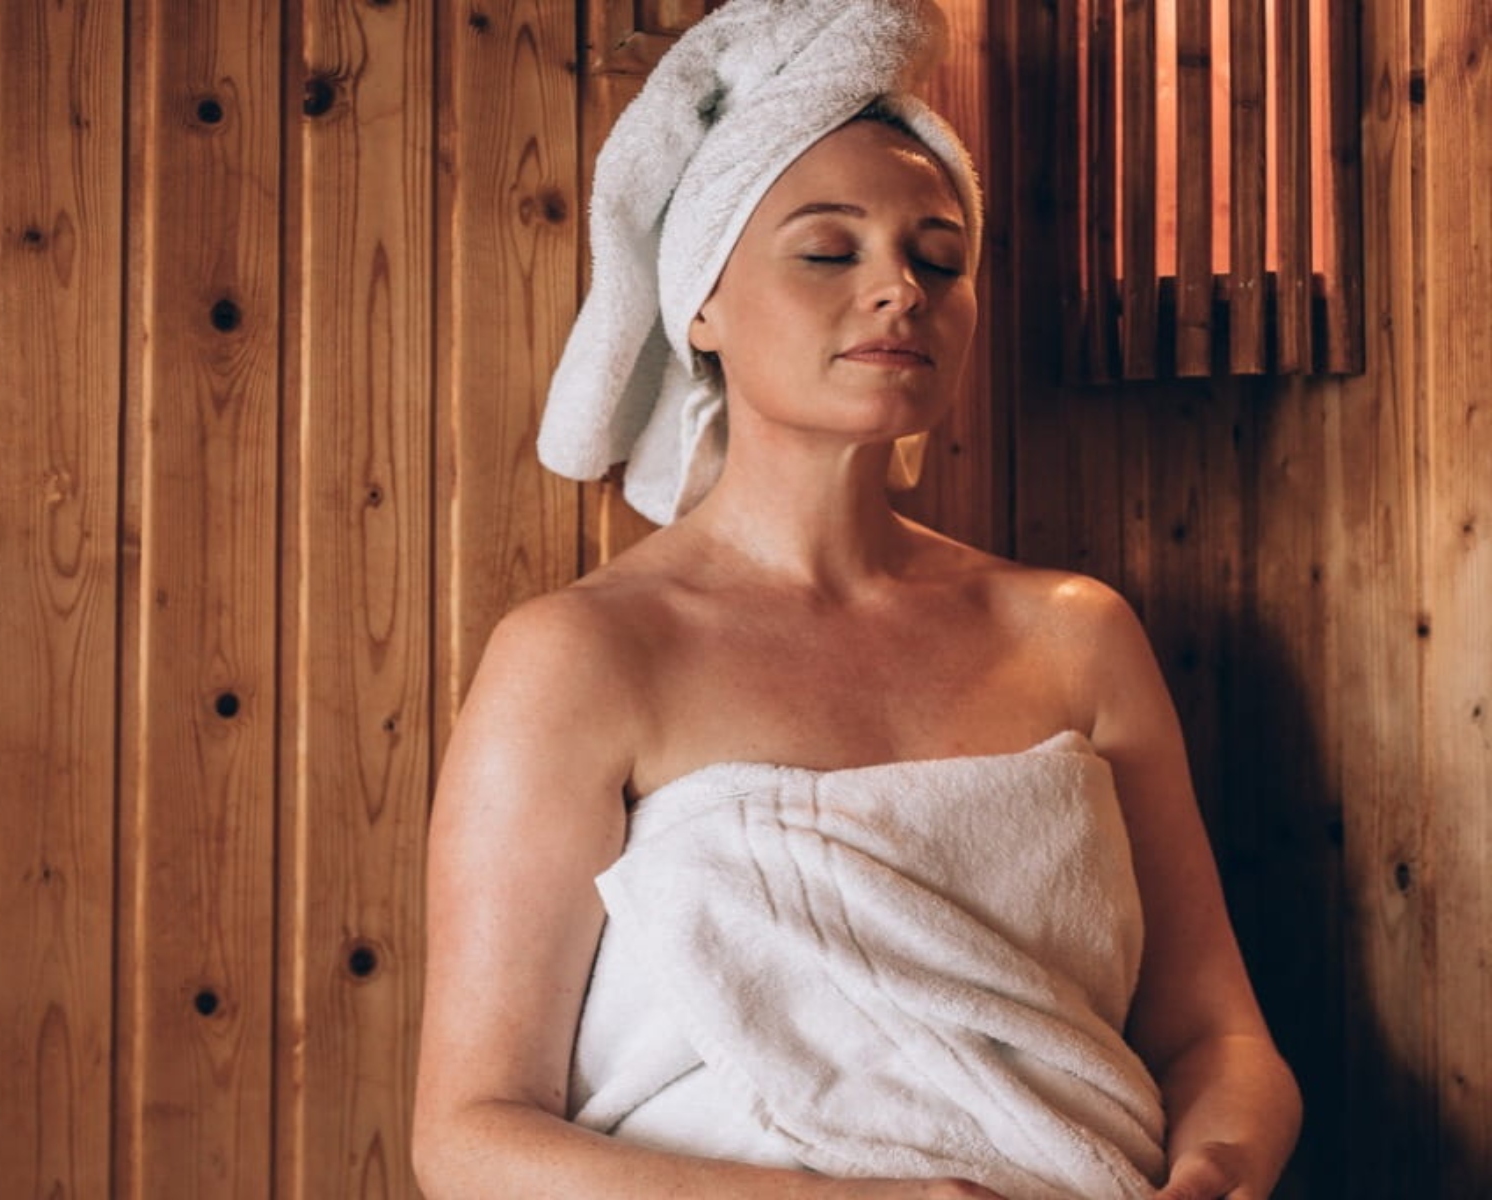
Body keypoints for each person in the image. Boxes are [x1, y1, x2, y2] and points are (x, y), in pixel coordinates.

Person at [412, 2, 1301, 1197]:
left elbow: (1218, 1037)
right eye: (830, 251)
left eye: (939, 259)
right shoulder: (582, 656)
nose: (899, 289)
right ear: (703, 309)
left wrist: (1219, 1169)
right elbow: (470, 1135)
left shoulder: (1074, 634)